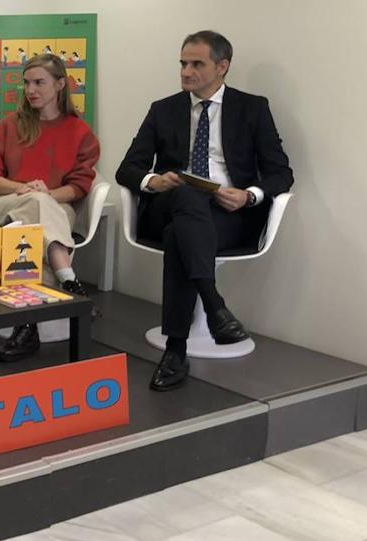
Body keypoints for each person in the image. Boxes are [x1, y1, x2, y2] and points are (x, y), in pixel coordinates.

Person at [116, 31, 293, 392]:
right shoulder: (163, 109)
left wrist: (250, 196)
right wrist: (154, 181)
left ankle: (176, 350)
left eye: (197, 63)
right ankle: (216, 309)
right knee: (187, 196)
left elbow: (281, 172)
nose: (186, 71)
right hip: (169, 203)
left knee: (180, 232)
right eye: (183, 63)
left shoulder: (252, 108)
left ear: (222, 66)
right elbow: (127, 169)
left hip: (228, 214)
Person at [0, 53, 101, 361]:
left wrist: (44, 195)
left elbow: (80, 186)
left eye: (39, 83)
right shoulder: (10, 125)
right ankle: (69, 280)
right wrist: (25, 189)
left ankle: (26, 325)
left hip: (55, 205)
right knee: (35, 206)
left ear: (60, 84)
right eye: (27, 83)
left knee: (33, 229)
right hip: (7, 204)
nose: (31, 90)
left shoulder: (79, 132)